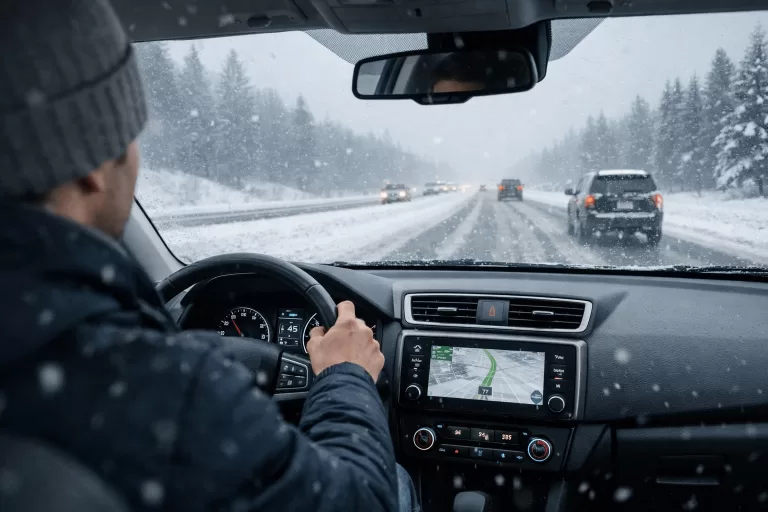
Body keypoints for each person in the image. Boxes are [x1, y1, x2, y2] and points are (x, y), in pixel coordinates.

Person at [0, 1, 418, 511]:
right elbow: (359, 500)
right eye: (131, 137)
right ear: (92, 161)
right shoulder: (159, 390)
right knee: (393, 477)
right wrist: (345, 376)